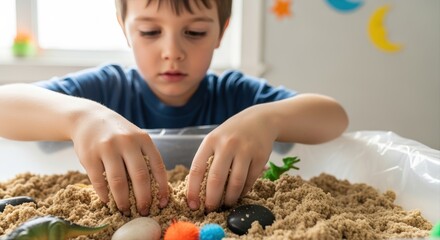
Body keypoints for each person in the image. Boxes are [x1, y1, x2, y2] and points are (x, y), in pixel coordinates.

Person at [0, 0, 348, 216]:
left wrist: (268, 118)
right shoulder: (105, 89)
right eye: (150, 32)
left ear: (220, 32)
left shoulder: (236, 94)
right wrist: (80, 118)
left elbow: (334, 117)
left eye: (194, 32)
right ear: (125, 30)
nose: (172, 51)